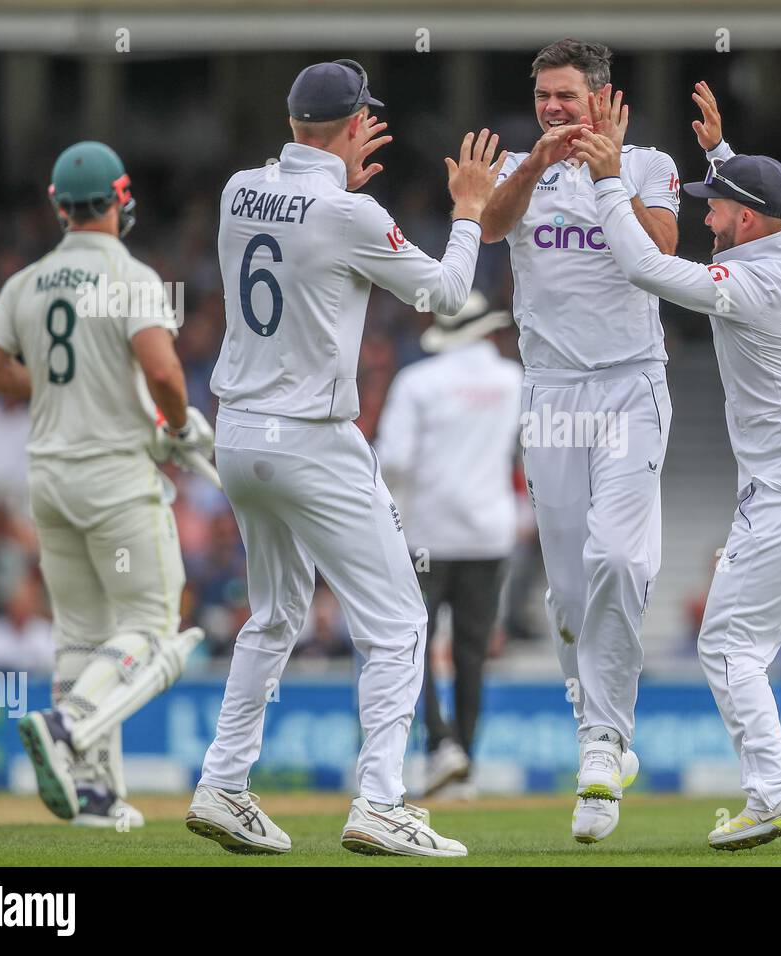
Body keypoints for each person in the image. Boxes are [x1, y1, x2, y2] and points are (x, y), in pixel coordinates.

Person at [570, 82, 781, 855]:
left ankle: (775, 792)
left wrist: (611, 178)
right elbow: (758, 209)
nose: (704, 216)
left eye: (715, 206)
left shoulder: (747, 283)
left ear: (745, 220)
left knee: (725, 646)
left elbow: (648, 268)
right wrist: (723, 155)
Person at [186, 59, 504, 858]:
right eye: (367, 116)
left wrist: (333, 171)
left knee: (274, 614)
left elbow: (299, 207)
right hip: (310, 437)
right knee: (399, 624)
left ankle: (223, 784)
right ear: (356, 123)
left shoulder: (238, 190)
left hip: (238, 432)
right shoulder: (348, 212)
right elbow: (444, 294)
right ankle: (382, 801)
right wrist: (469, 209)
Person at [0, 140, 209, 829]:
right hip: (115, 474)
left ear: (58, 206)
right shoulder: (132, 275)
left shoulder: (27, 281)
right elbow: (162, 370)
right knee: (155, 631)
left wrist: (44, 386)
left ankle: (96, 791)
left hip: (48, 478)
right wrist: (174, 421)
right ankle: (68, 724)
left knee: (80, 636)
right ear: (121, 199)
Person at [479, 37, 678, 844]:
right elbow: (490, 226)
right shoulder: (515, 172)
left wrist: (605, 172)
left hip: (631, 383)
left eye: (567, 97)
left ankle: (605, 743)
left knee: (620, 560)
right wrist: (535, 164)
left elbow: (662, 253)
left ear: (601, 97)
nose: (555, 110)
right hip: (553, 392)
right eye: (544, 98)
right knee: (565, 596)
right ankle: (595, 743)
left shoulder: (649, 164)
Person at [376, 291, 523, 797]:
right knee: (472, 654)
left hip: (427, 535)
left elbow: (392, 460)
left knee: (410, 646)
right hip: (490, 533)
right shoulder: (512, 382)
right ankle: (465, 764)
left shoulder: (418, 383)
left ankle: (442, 747)